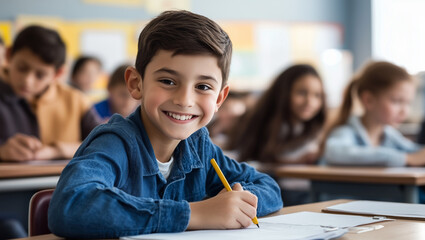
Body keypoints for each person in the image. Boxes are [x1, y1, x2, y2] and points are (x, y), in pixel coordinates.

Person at [48, 10, 282, 238]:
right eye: (168, 81)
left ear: (220, 98)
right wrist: (195, 214)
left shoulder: (198, 145)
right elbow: (71, 206)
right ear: (136, 84)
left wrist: (233, 204)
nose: (184, 100)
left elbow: (268, 187)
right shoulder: (116, 142)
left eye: (203, 87)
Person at [0, 25, 101, 162]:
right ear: (8, 55)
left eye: (40, 75)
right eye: (22, 68)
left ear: (57, 74)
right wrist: (2, 151)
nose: (27, 81)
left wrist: (56, 150)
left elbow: (103, 143)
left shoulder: (75, 100)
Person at [322, 61, 425, 167]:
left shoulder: (389, 134)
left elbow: (416, 152)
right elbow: (335, 153)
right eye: (396, 101)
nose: (405, 111)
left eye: (408, 103)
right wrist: (406, 159)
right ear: (369, 100)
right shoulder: (346, 132)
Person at [226, 64, 326, 164]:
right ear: (283, 92)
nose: (309, 101)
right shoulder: (261, 125)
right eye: (301, 93)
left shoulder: (316, 134)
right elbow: (247, 157)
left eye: (317, 95)